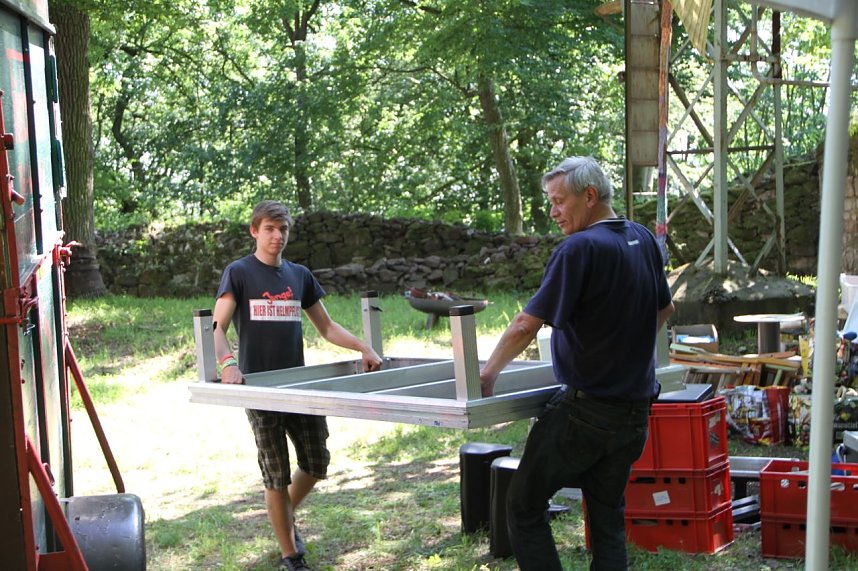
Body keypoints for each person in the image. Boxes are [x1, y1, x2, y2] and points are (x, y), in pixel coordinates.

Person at [479, 157, 674, 570]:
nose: (552, 212)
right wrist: (626, 348)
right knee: (607, 518)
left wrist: (487, 373)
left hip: (586, 414)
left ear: (589, 197)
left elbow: (524, 325)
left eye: (558, 201)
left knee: (524, 505)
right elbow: (664, 309)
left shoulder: (579, 248)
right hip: (634, 413)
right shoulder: (641, 238)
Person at [213, 200, 382, 571]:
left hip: (299, 387)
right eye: (270, 228)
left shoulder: (299, 275)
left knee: (317, 462)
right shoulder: (238, 272)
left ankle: (282, 517)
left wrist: (363, 346)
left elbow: (326, 327)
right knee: (275, 472)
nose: (277, 236)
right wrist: (227, 365)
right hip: (259, 388)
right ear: (254, 231)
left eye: (283, 229)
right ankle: (291, 555)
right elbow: (218, 328)